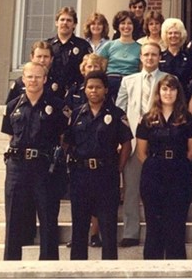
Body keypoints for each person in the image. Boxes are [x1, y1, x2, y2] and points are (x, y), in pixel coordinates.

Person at [1, 62, 70, 260]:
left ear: (45, 79)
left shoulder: (56, 107)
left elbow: (64, 137)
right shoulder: (13, 106)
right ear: (23, 79)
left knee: (48, 219)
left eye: (38, 77)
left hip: (44, 168)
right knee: (13, 220)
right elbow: (10, 136)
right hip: (17, 167)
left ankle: (48, 268)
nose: (33, 80)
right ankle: (10, 267)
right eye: (29, 76)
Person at [64, 71, 132, 260]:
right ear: (85, 90)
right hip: (80, 175)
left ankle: (109, 270)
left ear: (106, 90)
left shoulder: (117, 114)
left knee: (108, 228)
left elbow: (127, 144)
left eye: (98, 87)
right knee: (79, 228)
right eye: (90, 87)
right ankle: (77, 270)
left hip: (106, 175)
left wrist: (118, 168)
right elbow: (66, 142)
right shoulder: (76, 114)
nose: (94, 91)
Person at [136, 74, 192, 259]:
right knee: (154, 225)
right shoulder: (148, 118)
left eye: (172, 89)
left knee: (176, 225)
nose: (168, 93)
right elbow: (141, 152)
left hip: (179, 173)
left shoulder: (186, 118)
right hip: (153, 173)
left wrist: (175, 164)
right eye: (164, 89)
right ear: (158, 92)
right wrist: (157, 165)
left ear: (178, 92)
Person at [116, 41, 169, 248]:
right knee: (131, 190)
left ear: (159, 57)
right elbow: (120, 112)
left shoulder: (167, 80)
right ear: (140, 57)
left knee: (158, 191)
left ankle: (158, 231)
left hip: (159, 144)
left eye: (154, 55)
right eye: (146, 55)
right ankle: (131, 232)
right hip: (134, 143)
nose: (149, 58)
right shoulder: (128, 81)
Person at [64, 52, 109, 248]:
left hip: (100, 154)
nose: (92, 70)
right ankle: (78, 236)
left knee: (99, 204)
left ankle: (94, 234)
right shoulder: (74, 90)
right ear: (83, 69)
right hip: (80, 155)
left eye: (96, 67)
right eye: (89, 67)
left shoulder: (106, 94)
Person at [47, 6, 93, 97]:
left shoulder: (83, 46)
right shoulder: (48, 46)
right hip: (52, 93)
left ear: (74, 24)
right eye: (62, 20)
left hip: (76, 95)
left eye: (69, 20)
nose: (65, 23)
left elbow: (89, 71)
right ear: (56, 22)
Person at [98, 10, 142, 101]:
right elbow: (102, 69)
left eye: (129, 23)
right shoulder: (109, 45)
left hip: (132, 83)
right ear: (118, 26)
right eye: (122, 23)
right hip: (111, 83)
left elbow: (141, 70)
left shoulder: (140, 48)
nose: (126, 26)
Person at [159, 18, 192, 93]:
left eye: (176, 33)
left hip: (183, 96)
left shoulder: (189, 57)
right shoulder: (160, 57)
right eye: (170, 33)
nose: (173, 35)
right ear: (165, 35)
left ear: (181, 35)